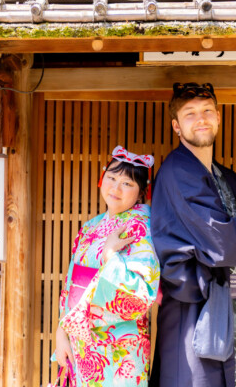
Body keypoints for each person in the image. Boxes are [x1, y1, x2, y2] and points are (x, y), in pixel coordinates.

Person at [149, 82, 236, 387]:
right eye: (189, 113)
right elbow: (224, 244)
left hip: (231, 305)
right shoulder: (177, 171)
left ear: (218, 117)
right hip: (192, 306)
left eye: (206, 111)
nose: (200, 119)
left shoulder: (224, 177)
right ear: (176, 126)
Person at [54, 146, 160, 387]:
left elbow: (142, 293)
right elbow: (71, 283)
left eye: (127, 183)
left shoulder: (141, 226)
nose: (115, 187)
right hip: (81, 340)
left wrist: (111, 256)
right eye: (111, 178)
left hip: (120, 343)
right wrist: (62, 331)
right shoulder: (91, 226)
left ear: (141, 193)